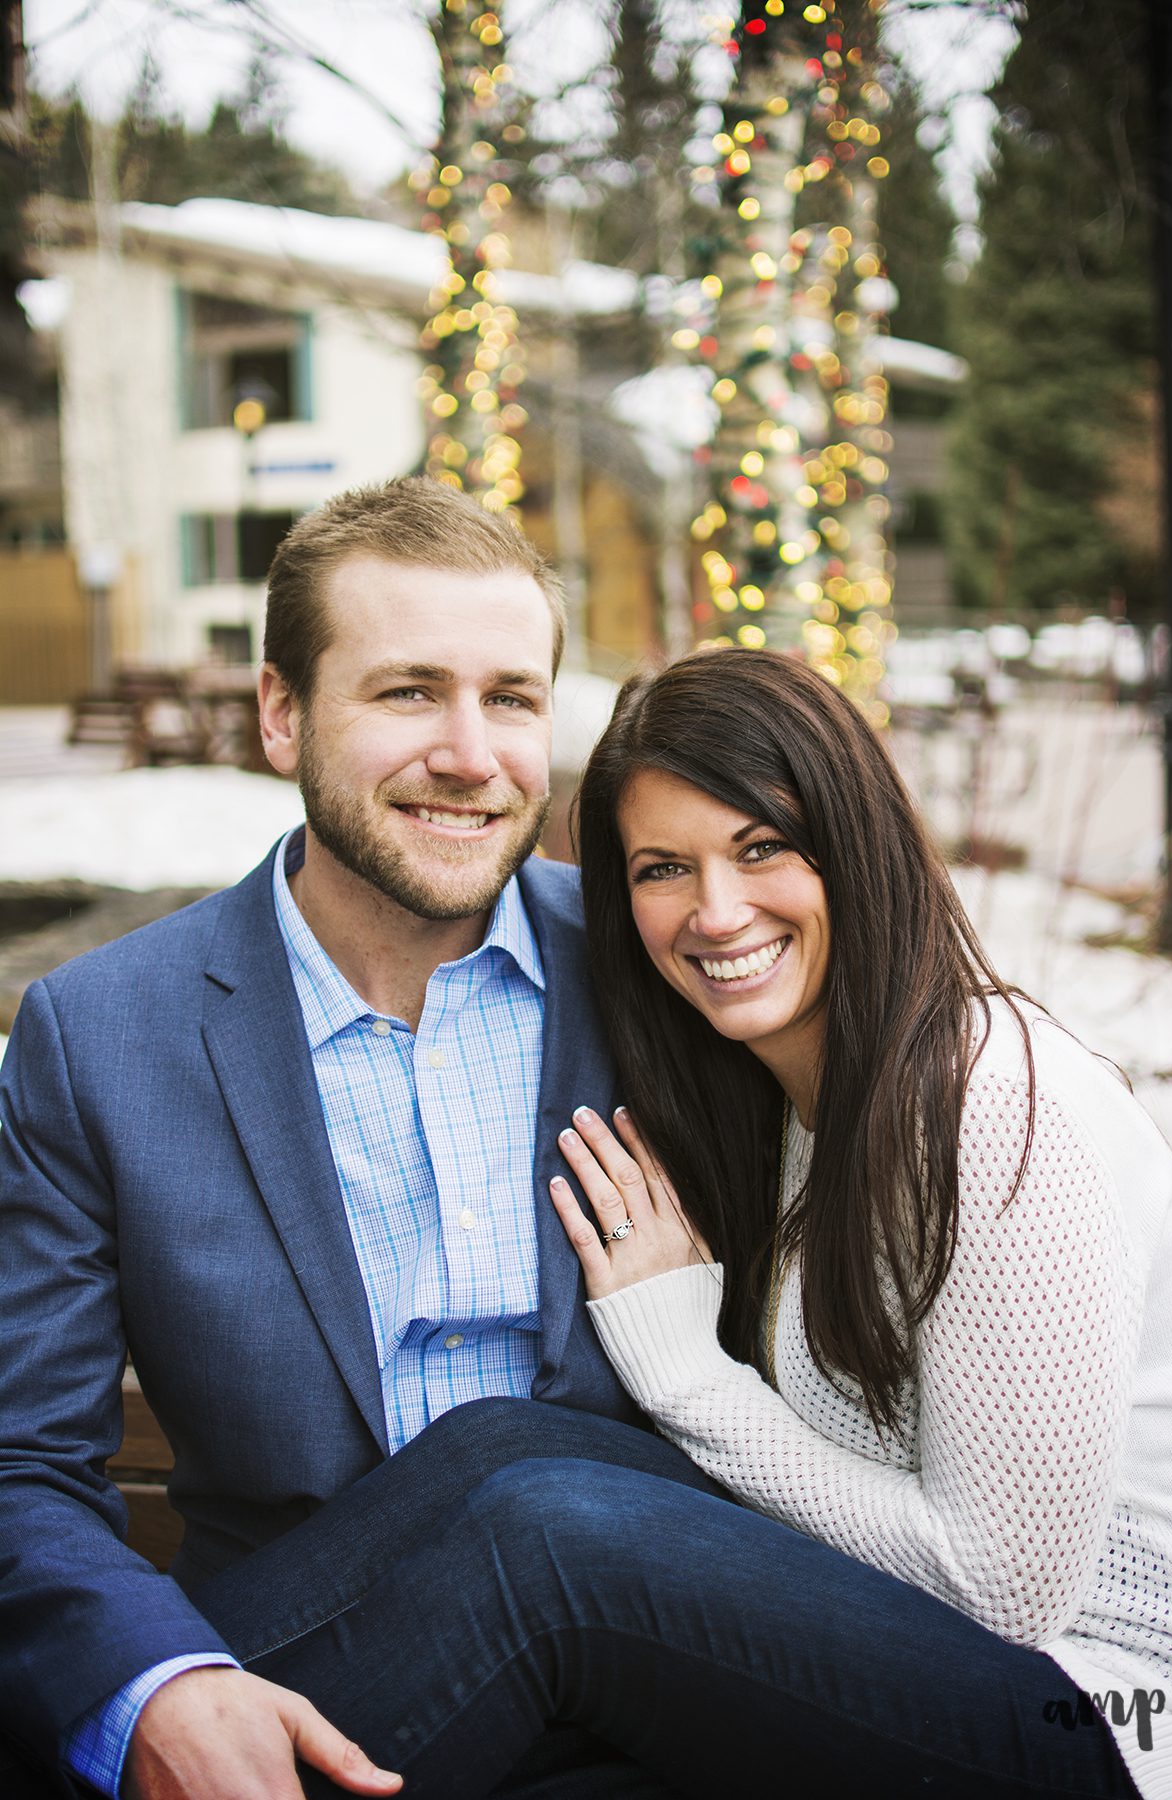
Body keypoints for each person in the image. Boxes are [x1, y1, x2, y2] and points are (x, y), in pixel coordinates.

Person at [274, 647, 1172, 1800]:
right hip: (937, 1672)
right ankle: (153, 1694)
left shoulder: (1003, 1102)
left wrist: (688, 1377)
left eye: (761, 847)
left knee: (551, 1540)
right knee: (497, 1449)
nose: (716, 912)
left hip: (1110, 1714)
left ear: (852, 845)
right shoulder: (797, 1103)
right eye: (665, 868)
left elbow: (1002, 1592)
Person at [0, 478, 723, 1800]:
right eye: (407, 693)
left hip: (657, 1678)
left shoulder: (660, 962)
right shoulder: (104, 1038)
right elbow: (17, 1463)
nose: (470, 752)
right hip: (320, 1678)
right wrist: (169, 1684)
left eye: (510, 698)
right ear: (283, 714)